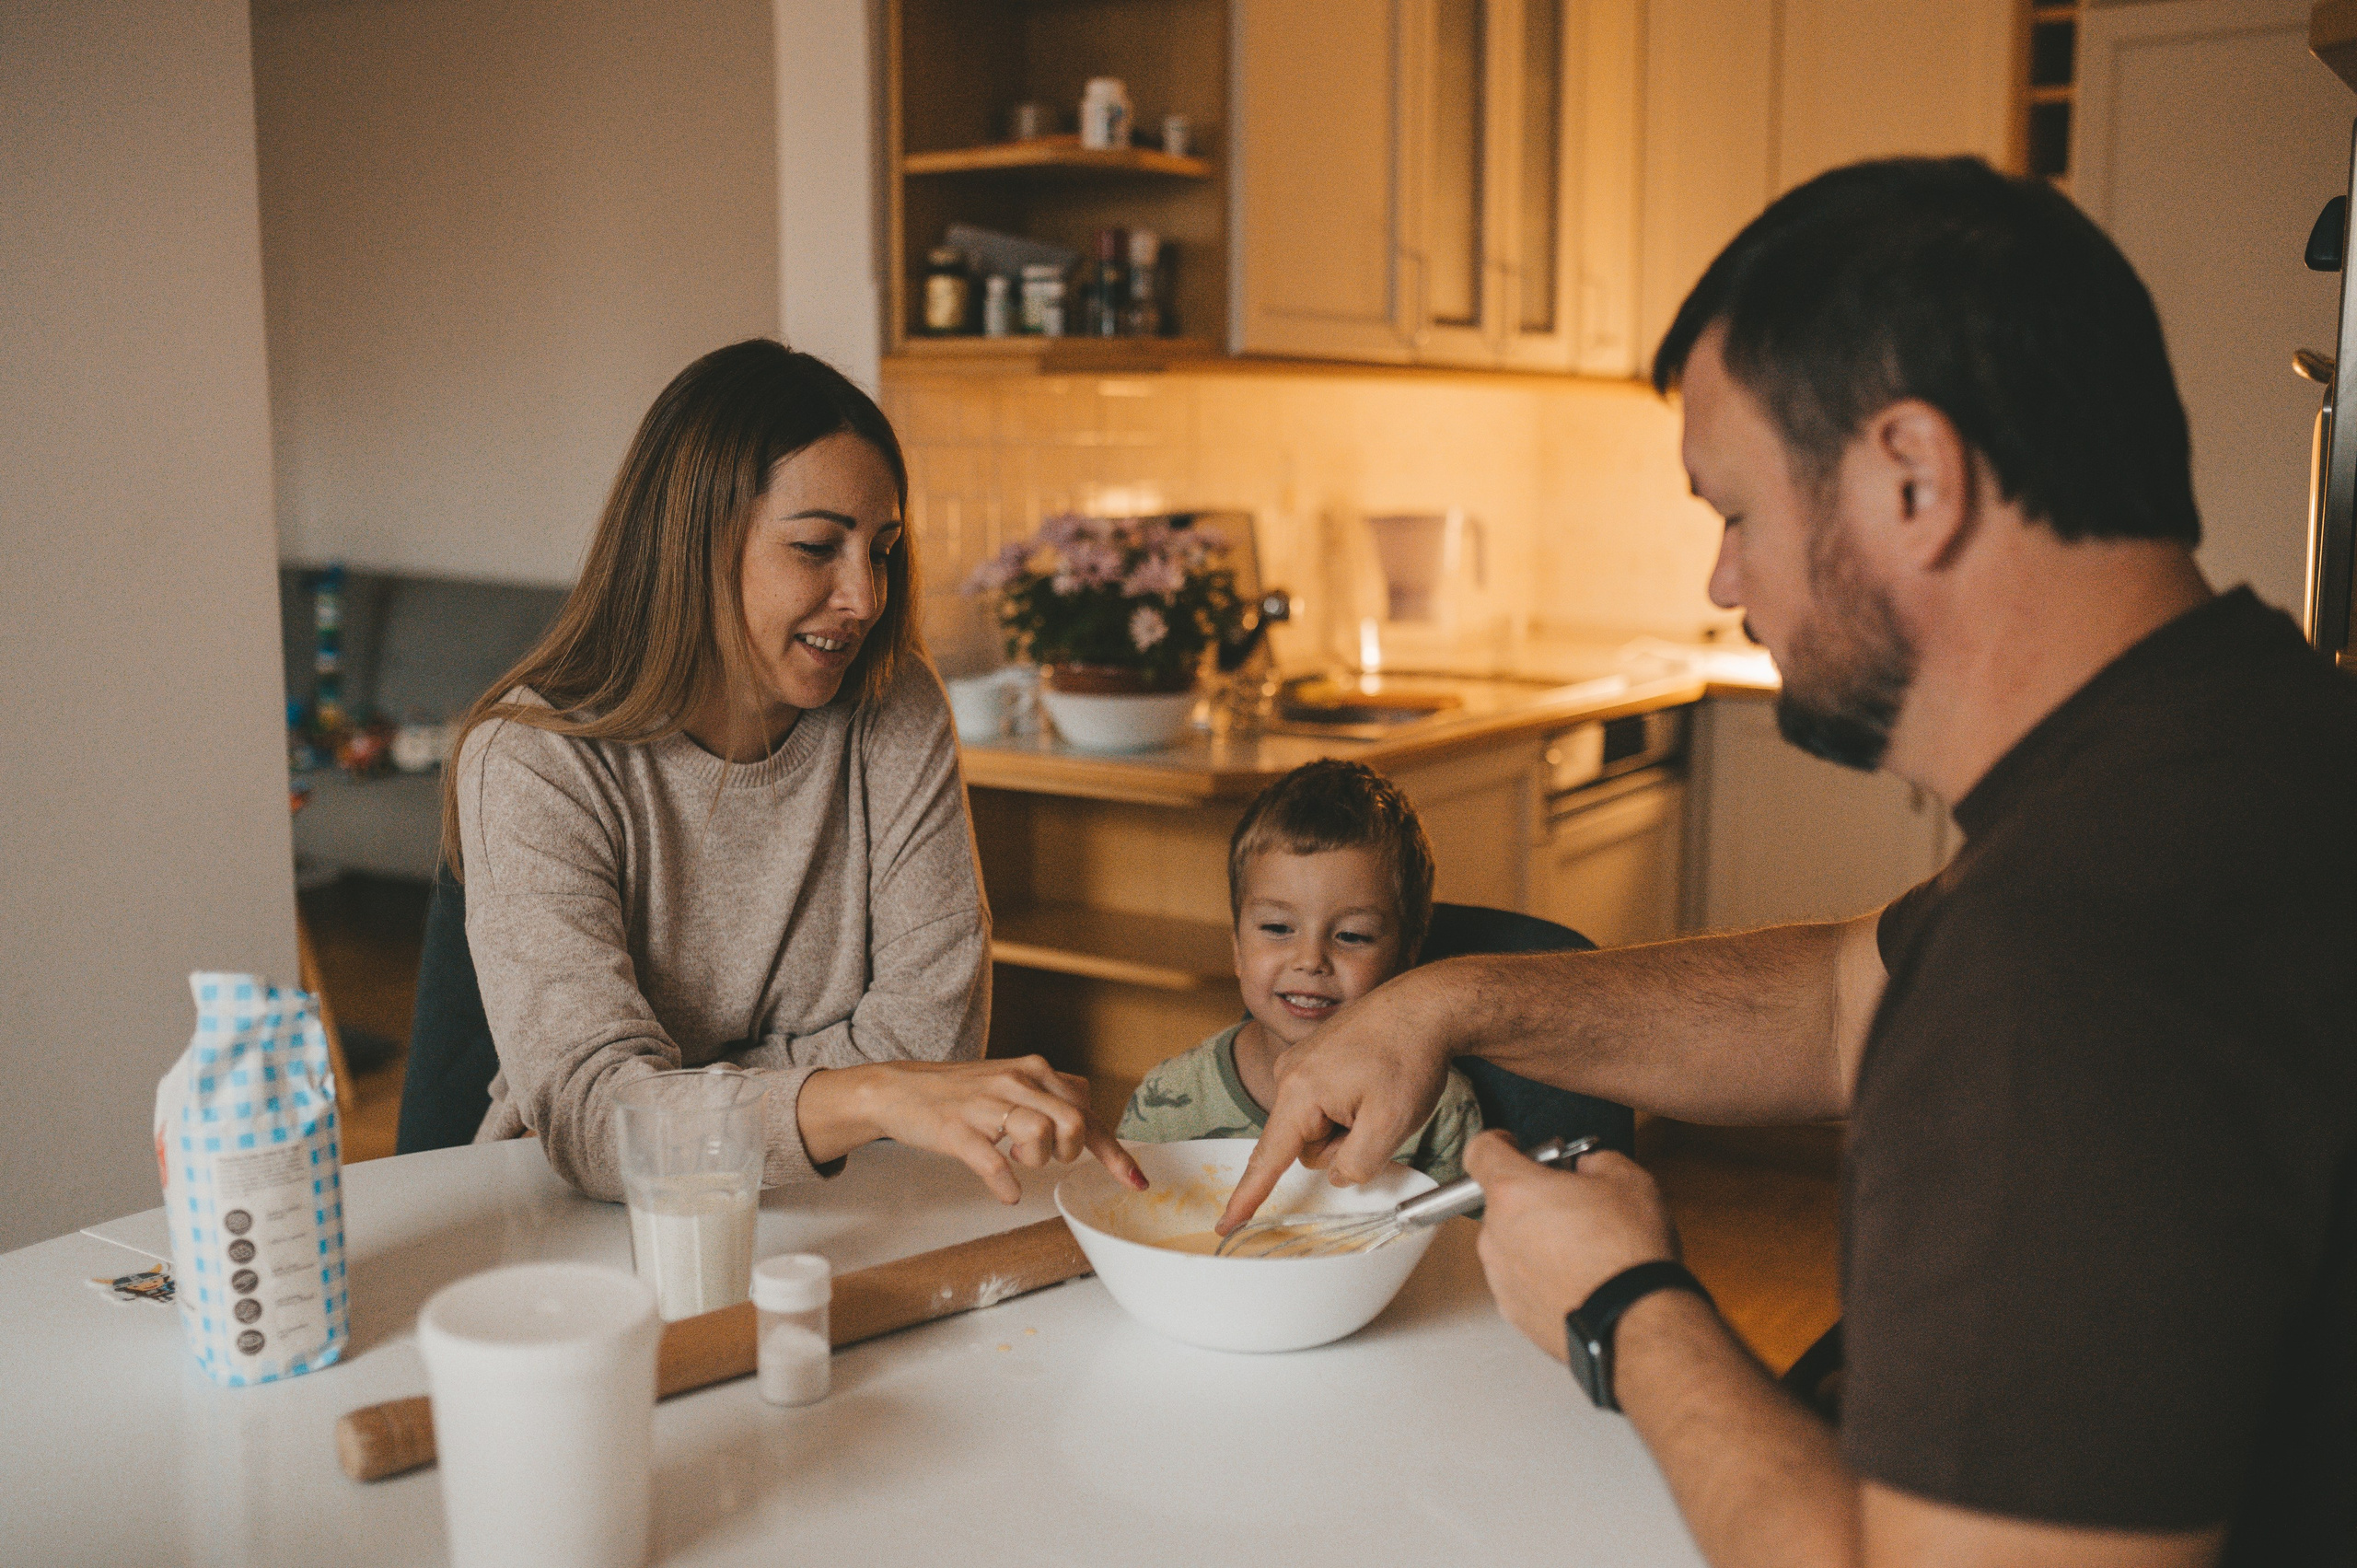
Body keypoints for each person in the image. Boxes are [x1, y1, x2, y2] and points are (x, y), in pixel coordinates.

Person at [1217, 158, 2356, 1567]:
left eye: (1736, 511)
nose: (1723, 581)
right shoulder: (2244, 742)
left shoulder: (2073, 956)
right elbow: (1837, 996)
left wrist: (1621, 1299)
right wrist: (1437, 1003)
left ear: (1916, 479)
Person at [444, 339, 1144, 1205]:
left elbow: (935, 1042)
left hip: (857, 1196)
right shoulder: (533, 759)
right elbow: (599, 1121)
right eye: (817, 547)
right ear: (691, 542)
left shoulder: (896, 700)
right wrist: (873, 1088)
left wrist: (693, 1091)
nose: (866, 597)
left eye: (881, 549)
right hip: (597, 1220)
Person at [1116, 760, 1483, 1180]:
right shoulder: (1170, 1100)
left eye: (1352, 935)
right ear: (1237, 948)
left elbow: (1463, 1242)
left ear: (1405, 956)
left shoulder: (1438, 1106)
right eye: (1277, 928)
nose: (1310, 959)